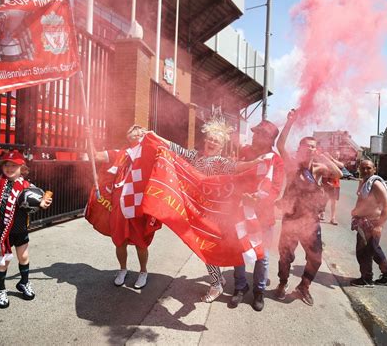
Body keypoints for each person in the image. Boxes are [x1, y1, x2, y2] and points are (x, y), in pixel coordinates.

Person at [151, 117, 261, 303]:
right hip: (197, 209)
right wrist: (155, 136)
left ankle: (217, 284)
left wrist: (254, 163)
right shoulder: (195, 156)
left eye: (216, 141)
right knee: (204, 247)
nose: (211, 143)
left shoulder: (220, 162)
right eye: (210, 139)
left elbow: (236, 167)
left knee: (208, 248)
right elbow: (176, 149)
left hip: (216, 213)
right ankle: (217, 280)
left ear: (221, 146)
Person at [0, 134, 52, 308]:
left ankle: (23, 282)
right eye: (6, 165)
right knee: (4, 262)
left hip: (20, 229)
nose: (9, 168)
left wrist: (44, 202)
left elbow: (40, 197)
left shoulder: (26, 185)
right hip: (3, 231)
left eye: (14, 165)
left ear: (22, 168)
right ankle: (0, 289)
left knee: (24, 257)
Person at [275, 109, 342, 306]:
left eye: (313, 146)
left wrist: (324, 155)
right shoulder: (292, 165)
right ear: (300, 148)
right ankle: (282, 283)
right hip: (291, 219)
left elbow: (338, 172)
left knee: (316, 260)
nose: (310, 149)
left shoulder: (318, 169)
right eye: (306, 146)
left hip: (311, 222)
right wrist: (290, 122)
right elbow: (280, 145)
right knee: (285, 257)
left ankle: (303, 287)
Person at [94, 125, 160, 290]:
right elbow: (95, 156)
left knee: (140, 241)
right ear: (127, 135)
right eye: (132, 129)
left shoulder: (150, 152)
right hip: (119, 202)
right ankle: (123, 270)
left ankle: (143, 271)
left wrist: (153, 138)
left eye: (139, 130)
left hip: (138, 202)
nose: (135, 130)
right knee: (119, 240)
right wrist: (90, 137)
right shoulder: (120, 153)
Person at [229, 120, 284, 312]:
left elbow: (276, 189)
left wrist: (257, 199)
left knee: (262, 256)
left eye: (258, 134)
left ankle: (259, 291)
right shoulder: (245, 153)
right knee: (239, 250)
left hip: (263, 216)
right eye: (254, 133)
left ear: (268, 138)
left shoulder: (276, 160)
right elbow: (235, 176)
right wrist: (241, 195)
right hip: (241, 211)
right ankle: (239, 286)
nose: (253, 136)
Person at [350, 159, 387, 287]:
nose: (365, 170)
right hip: (363, 222)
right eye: (363, 168)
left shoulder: (375, 184)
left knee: (366, 252)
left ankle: (367, 279)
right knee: (372, 250)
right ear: (359, 169)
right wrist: (356, 211)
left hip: (372, 223)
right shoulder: (364, 182)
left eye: (368, 168)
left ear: (374, 169)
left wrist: (379, 226)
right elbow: (363, 201)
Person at [320, 151, 344, 225]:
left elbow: (342, 166)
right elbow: (323, 173)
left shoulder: (338, 163)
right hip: (326, 184)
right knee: (324, 200)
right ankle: (322, 212)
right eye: (335, 155)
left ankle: (333, 218)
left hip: (335, 185)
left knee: (334, 202)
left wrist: (332, 159)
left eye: (337, 155)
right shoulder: (326, 163)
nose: (336, 156)